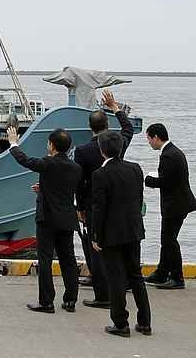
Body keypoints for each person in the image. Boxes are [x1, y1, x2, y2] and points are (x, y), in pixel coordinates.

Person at [6, 125, 82, 313]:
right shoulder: (76, 168)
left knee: (46, 259)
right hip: (66, 218)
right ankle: (71, 299)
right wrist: (45, 188)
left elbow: (25, 160)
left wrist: (13, 143)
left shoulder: (48, 163)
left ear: (52, 146)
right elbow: (64, 188)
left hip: (47, 219)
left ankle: (47, 301)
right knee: (68, 259)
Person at [74, 90, 135, 309]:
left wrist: (79, 206)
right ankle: (123, 282)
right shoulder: (118, 143)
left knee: (96, 248)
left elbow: (79, 182)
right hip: (119, 203)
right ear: (107, 125)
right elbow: (128, 129)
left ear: (90, 127)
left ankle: (102, 294)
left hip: (92, 204)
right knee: (118, 245)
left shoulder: (82, 151)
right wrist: (115, 107)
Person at [91, 130, 151, 337]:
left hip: (112, 233)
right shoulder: (135, 169)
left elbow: (99, 208)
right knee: (136, 276)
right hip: (133, 229)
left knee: (116, 278)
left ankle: (121, 323)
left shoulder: (100, 175)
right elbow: (138, 198)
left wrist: (95, 236)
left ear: (102, 150)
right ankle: (144, 322)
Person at [143, 123, 196, 290]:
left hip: (176, 205)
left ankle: (177, 277)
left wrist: (148, 180)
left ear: (156, 137)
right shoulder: (173, 152)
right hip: (178, 203)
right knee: (166, 240)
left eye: (149, 139)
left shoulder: (169, 156)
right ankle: (161, 272)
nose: (149, 142)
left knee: (169, 241)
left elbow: (166, 181)